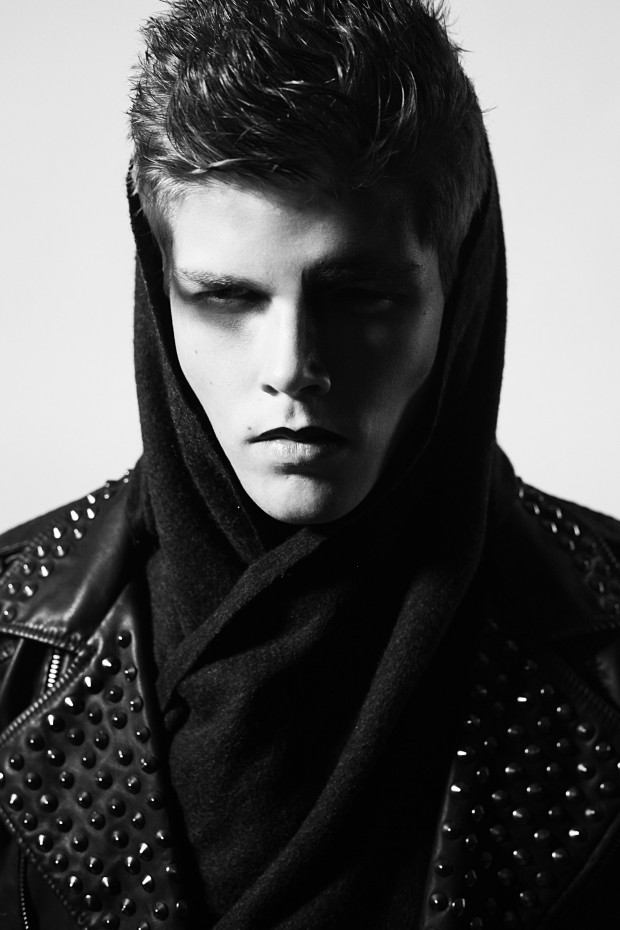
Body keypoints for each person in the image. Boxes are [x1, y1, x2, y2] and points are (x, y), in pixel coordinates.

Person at [0, 1, 619, 928]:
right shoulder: (12, 640)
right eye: (226, 298)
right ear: (160, 299)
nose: (291, 367)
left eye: (359, 295)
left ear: (458, 287)